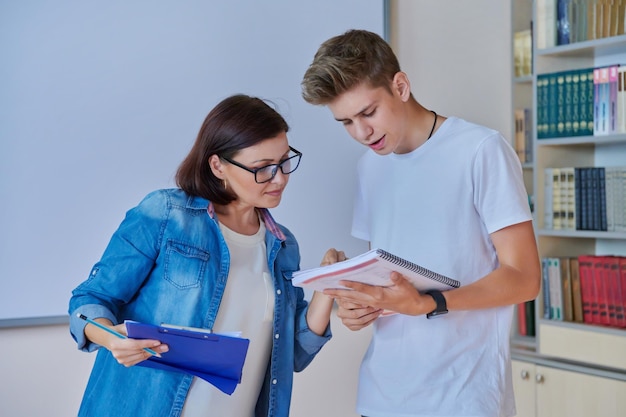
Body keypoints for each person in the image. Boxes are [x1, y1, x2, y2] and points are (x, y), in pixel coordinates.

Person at [301, 30, 541, 417]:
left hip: (463, 400)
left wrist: (428, 304)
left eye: (368, 112)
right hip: (380, 399)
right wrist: (360, 307)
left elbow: (525, 277)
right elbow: (387, 277)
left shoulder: (481, 150)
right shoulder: (369, 168)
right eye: (345, 122)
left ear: (401, 85)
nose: (361, 133)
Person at [68, 94, 340, 417]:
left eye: (284, 161)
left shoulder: (282, 246)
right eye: (262, 168)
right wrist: (112, 338)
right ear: (218, 165)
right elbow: (88, 301)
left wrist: (327, 287)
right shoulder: (166, 216)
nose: (279, 178)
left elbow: (291, 354)